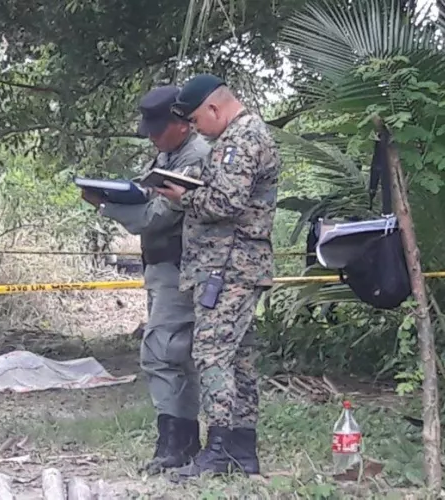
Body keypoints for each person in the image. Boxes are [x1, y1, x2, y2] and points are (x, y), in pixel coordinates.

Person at [80, 85, 212, 474]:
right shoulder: (169, 154)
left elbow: (157, 216)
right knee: (175, 354)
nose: (152, 137)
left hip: (179, 267)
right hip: (162, 267)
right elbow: (146, 195)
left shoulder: (195, 158)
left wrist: (106, 206)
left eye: (158, 129)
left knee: (161, 353)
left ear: (182, 123)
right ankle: (181, 440)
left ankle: (175, 444)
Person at [156, 74, 280, 478]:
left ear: (213, 108)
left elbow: (225, 203)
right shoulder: (240, 136)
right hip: (232, 265)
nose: (195, 129)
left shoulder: (241, 138)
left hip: (229, 266)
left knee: (211, 354)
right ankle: (242, 450)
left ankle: (220, 448)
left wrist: (184, 196)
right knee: (238, 359)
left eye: (195, 120)